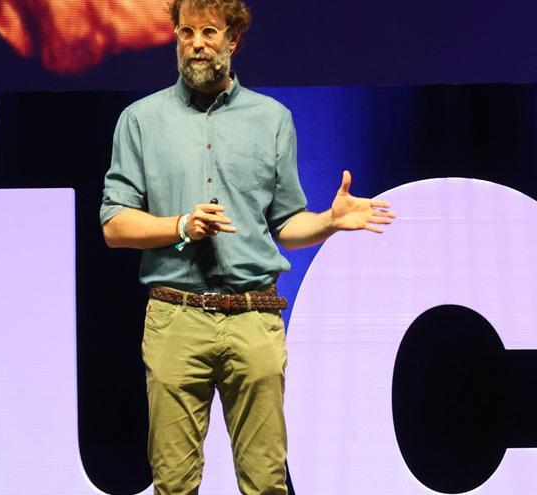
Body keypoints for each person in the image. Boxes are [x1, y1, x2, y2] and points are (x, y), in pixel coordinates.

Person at [99, 0, 396, 493]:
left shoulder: (272, 119)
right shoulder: (140, 120)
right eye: (186, 32)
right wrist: (179, 225)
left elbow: (286, 225)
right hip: (176, 317)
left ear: (233, 40)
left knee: (266, 482)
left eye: (209, 32)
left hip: (254, 317)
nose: (196, 44)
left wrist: (328, 221)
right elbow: (114, 225)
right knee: (173, 484)